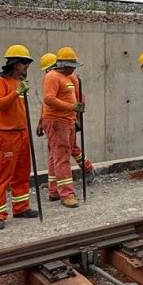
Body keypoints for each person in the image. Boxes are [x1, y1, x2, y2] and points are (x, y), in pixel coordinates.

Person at [0, 44, 40, 230]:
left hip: (21, 133)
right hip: (6, 135)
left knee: (21, 173)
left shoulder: (19, 83)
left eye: (28, 63)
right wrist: (16, 92)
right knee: (2, 175)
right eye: (24, 62)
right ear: (14, 63)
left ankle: (21, 207)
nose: (27, 66)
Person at [38, 52, 93, 202]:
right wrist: (41, 121)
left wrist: (76, 117)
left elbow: (78, 99)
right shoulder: (52, 77)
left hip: (66, 120)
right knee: (61, 156)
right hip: (58, 122)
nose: (74, 69)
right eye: (71, 66)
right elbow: (48, 100)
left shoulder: (69, 78)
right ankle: (66, 194)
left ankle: (55, 190)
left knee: (57, 155)